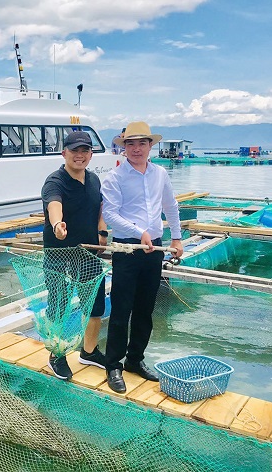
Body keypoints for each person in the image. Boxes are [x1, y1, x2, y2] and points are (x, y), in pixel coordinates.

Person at [101, 121, 184, 393]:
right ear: (123, 147)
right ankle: (113, 364)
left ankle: (135, 360)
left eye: (142, 143)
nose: (136, 149)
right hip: (127, 248)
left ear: (151, 146)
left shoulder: (160, 174)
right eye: (130, 144)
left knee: (145, 309)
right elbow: (111, 214)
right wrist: (139, 233)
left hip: (155, 249)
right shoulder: (115, 177)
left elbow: (170, 206)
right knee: (121, 308)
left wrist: (177, 238)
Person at [41, 131, 109, 380]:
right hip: (59, 252)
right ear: (64, 153)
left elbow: (99, 207)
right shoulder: (54, 181)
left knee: (96, 304)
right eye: (74, 151)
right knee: (58, 304)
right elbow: (53, 206)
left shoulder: (93, 180)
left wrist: (102, 230)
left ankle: (89, 352)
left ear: (91, 155)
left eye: (85, 151)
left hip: (88, 252)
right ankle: (56, 355)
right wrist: (58, 225)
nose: (79, 155)